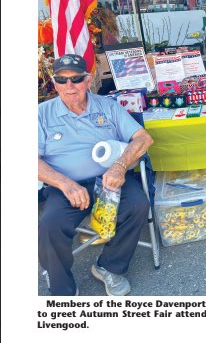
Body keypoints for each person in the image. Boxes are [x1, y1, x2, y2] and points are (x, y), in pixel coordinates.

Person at [38, 54, 154, 296]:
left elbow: (144, 139)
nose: (69, 86)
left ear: (88, 80)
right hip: (65, 187)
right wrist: (66, 185)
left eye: (76, 79)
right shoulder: (41, 114)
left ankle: (109, 267)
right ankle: (61, 286)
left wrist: (120, 166)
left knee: (138, 205)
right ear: (54, 82)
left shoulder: (108, 106)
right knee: (50, 224)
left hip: (109, 180)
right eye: (61, 80)